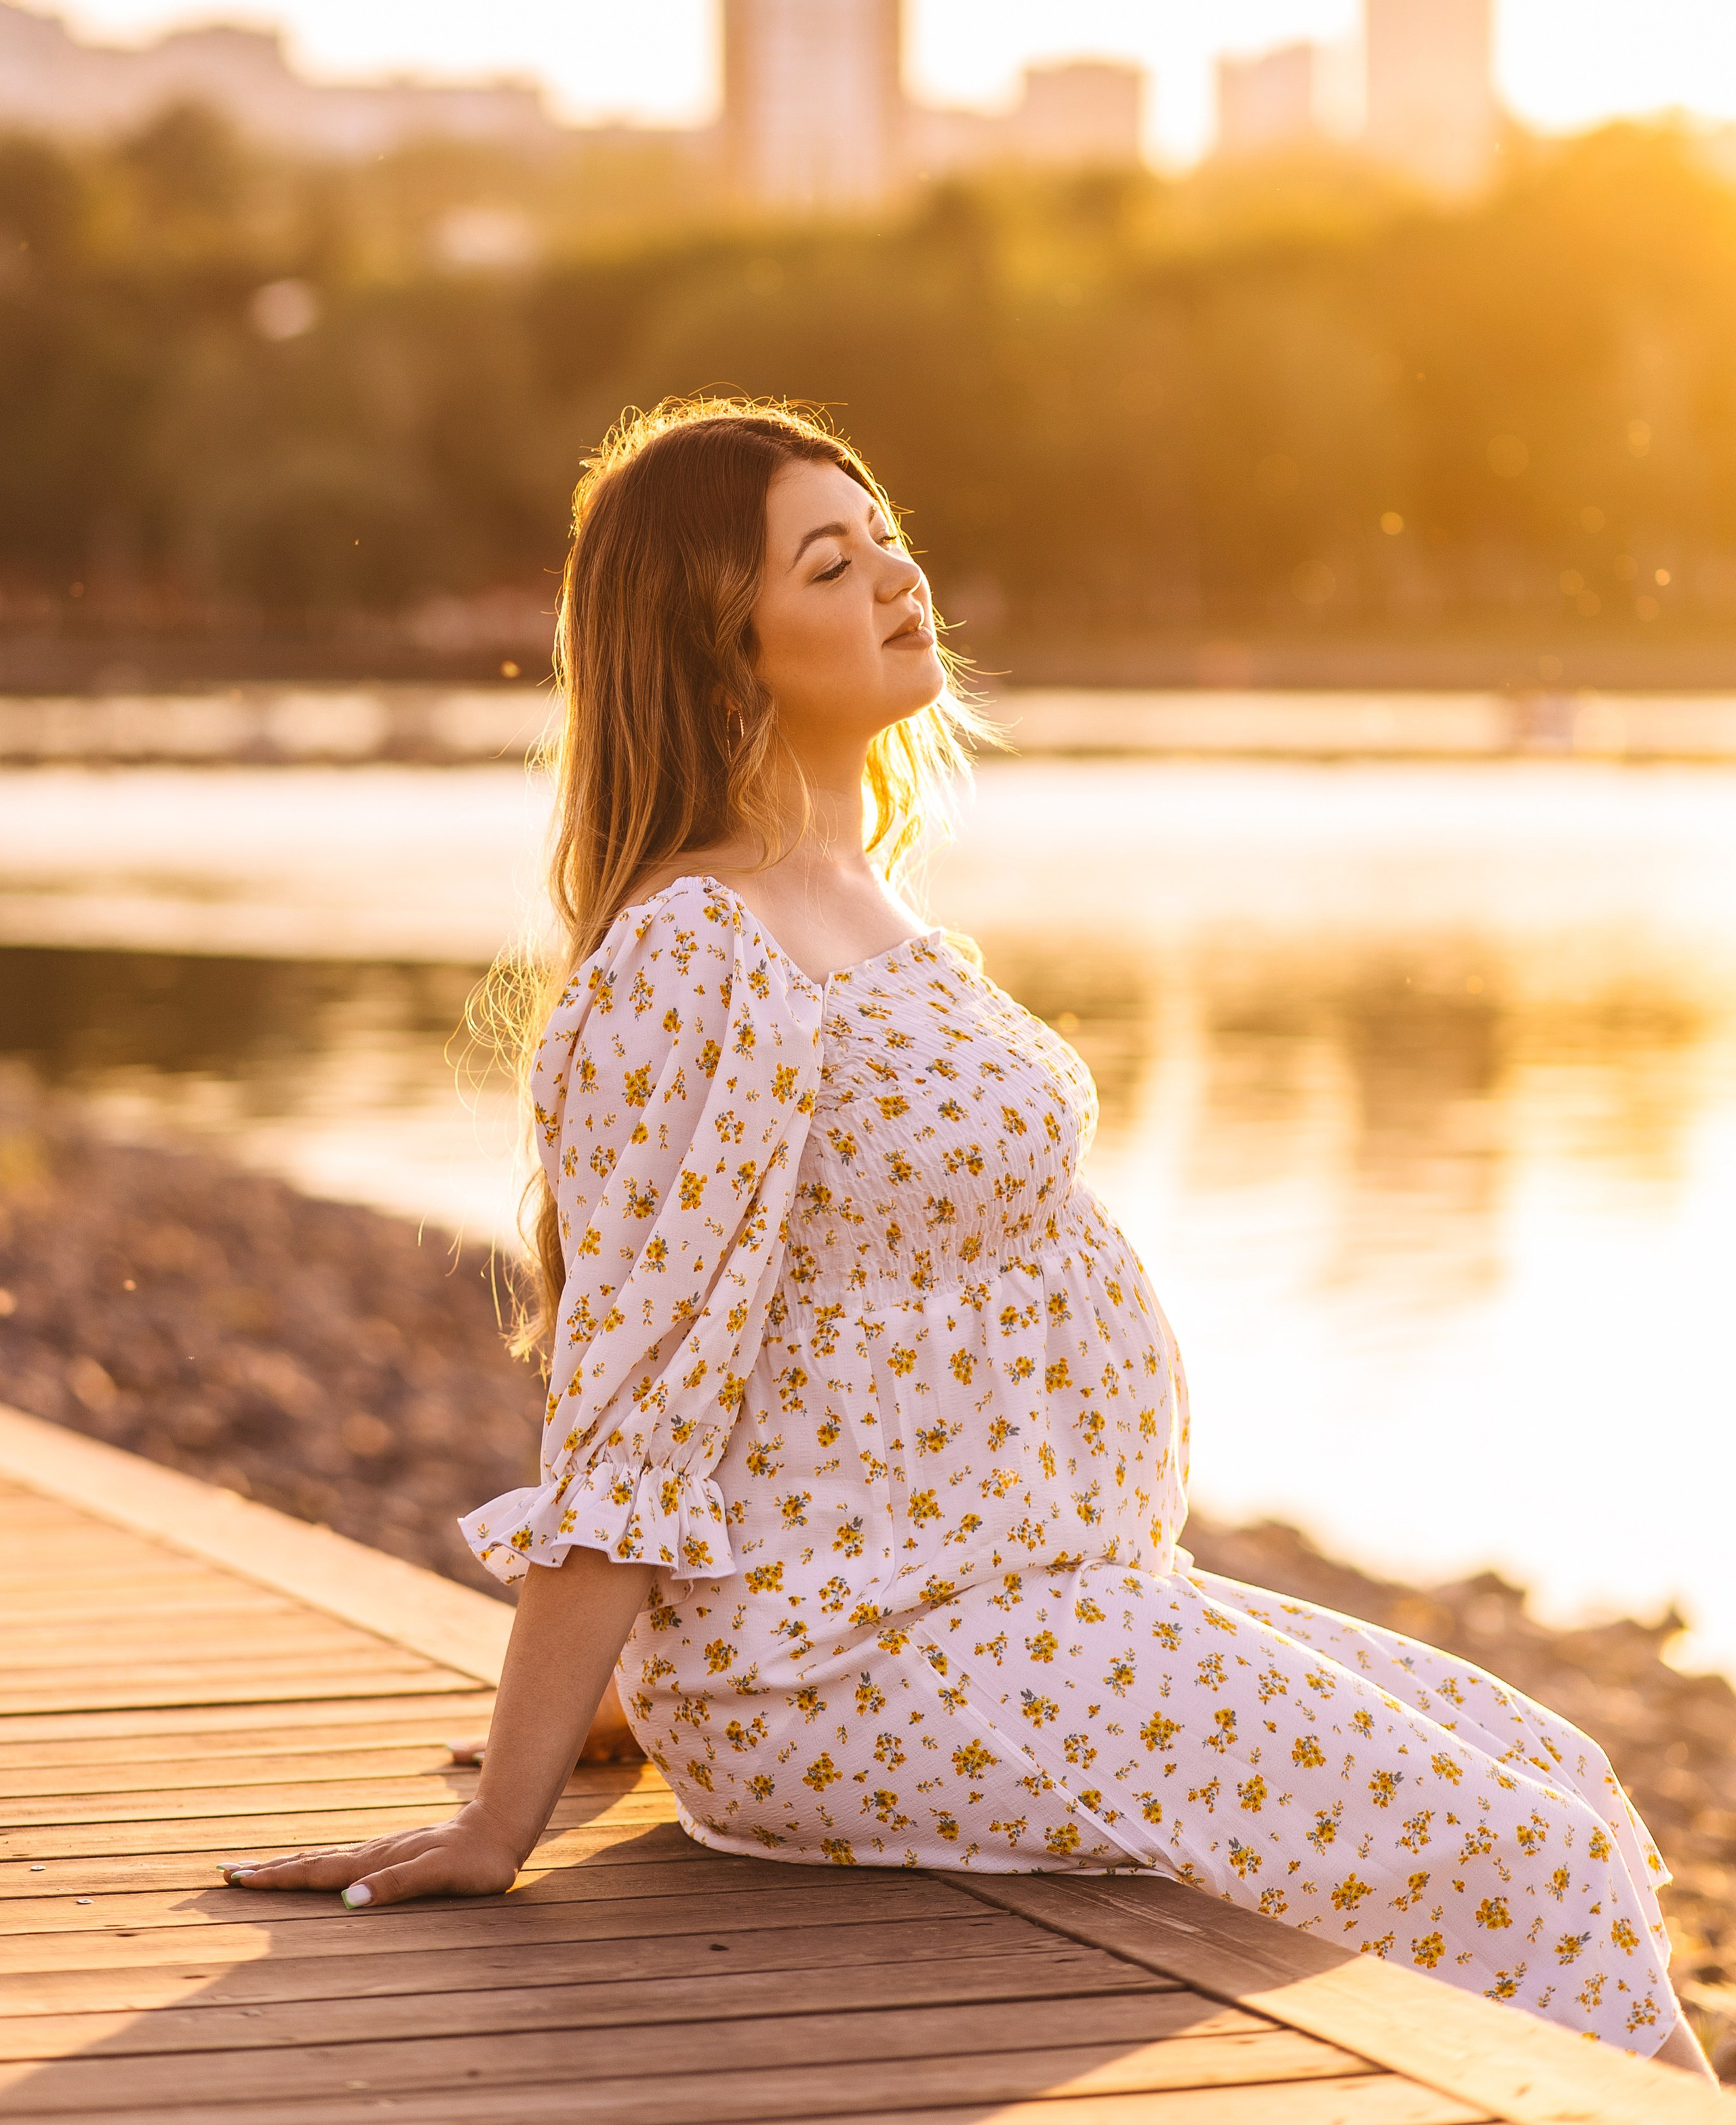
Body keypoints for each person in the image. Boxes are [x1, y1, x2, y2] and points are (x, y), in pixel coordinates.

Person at [222, 397, 1713, 2081]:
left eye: (883, 537)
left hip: (1017, 1606)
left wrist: (639, 1691)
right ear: (722, 645)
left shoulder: (853, 889)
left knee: (1568, 1783)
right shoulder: (695, 952)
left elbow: (802, 1326)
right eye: (827, 560)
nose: (896, 577)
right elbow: (633, 1383)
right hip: (862, 1661)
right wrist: (511, 1802)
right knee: (1523, 1860)